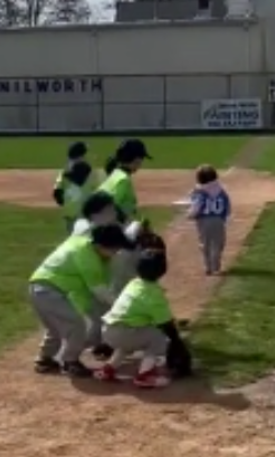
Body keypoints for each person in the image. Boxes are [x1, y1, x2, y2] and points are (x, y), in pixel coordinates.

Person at [27, 224, 133, 378]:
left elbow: (87, 291)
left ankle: (44, 360)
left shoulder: (85, 245)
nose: (115, 253)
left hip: (39, 288)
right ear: (99, 245)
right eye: (113, 249)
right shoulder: (87, 257)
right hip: (48, 290)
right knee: (76, 325)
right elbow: (100, 291)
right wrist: (123, 308)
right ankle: (70, 362)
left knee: (54, 328)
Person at [94, 249, 175, 388]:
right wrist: (177, 343)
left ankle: (107, 370)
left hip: (108, 331)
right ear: (162, 270)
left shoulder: (133, 283)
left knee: (127, 344)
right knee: (159, 338)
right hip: (124, 333)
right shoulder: (154, 293)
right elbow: (166, 324)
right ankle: (145, 376)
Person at [187, 164, 231, 275]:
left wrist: (190, 215)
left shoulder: (199, 192)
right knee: (218, 244)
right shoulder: (221, 191)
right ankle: (216, 266)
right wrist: (225, 217)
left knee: (205, 244)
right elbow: (227, 205)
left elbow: (197, 206)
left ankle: (208, 267)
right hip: (218, 221)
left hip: (203, 222)